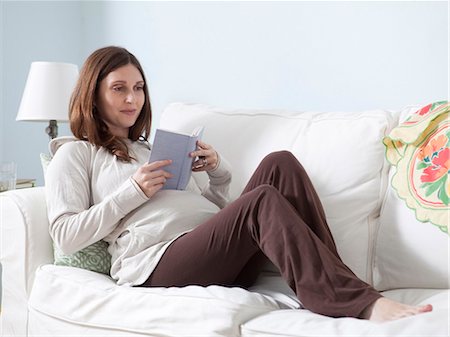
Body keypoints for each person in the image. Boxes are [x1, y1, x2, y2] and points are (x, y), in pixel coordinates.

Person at [46, 46, 433, 322]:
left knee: (279, 164)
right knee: (262, 200)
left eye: (139, 87)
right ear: (93, 94)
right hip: (156, 264)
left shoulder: (154, 148)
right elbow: (64, 235)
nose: (133, 98)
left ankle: (343, 282)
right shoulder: (77, 154)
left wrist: (215, 170)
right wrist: (134, 191)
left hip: (209, 253)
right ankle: (357, 303)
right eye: (119, 88)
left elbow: (214, 212)